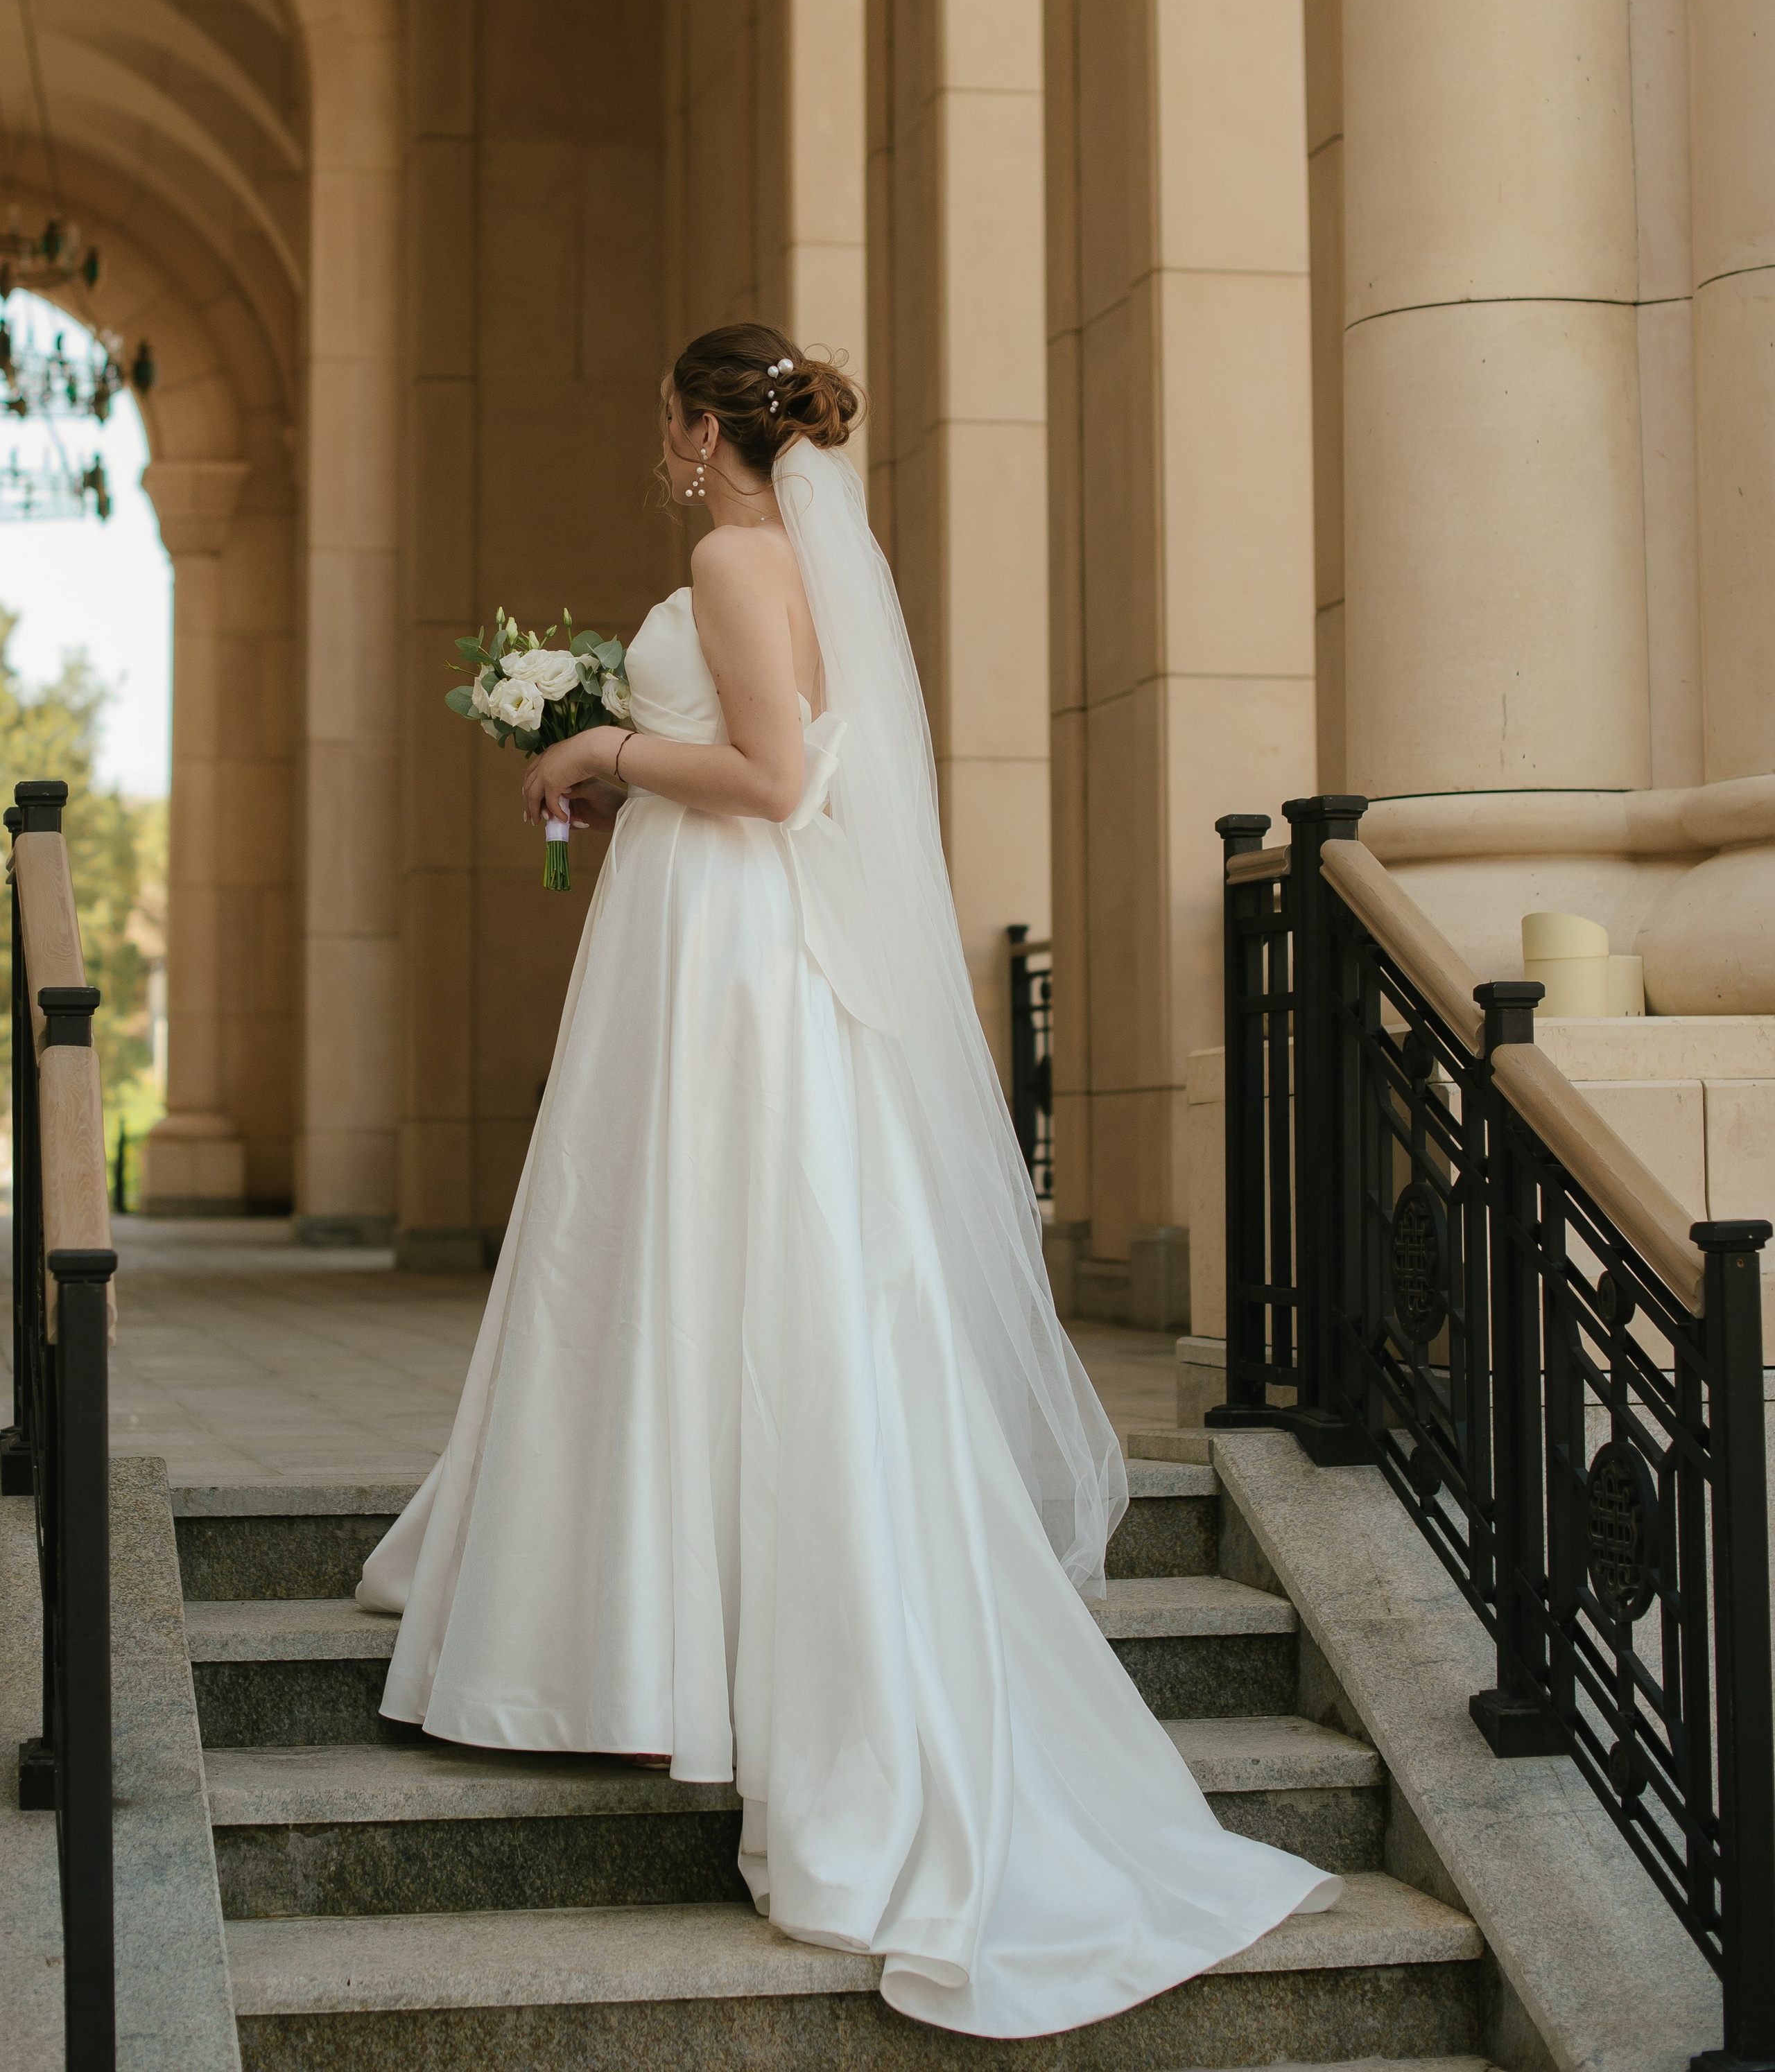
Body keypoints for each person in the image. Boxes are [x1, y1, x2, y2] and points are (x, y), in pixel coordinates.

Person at [357, 322, 1337, 2039]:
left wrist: (600, 755)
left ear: (694, 429)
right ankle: (634, 1612)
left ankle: (700, 1649)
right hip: (700, 937)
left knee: (704, 1268)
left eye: (660, 417)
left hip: (725, 952)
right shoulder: (765, 554)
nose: (653, 444)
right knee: (666, 1267)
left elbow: (771, 775)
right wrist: (619, 768)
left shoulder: (737, 553)